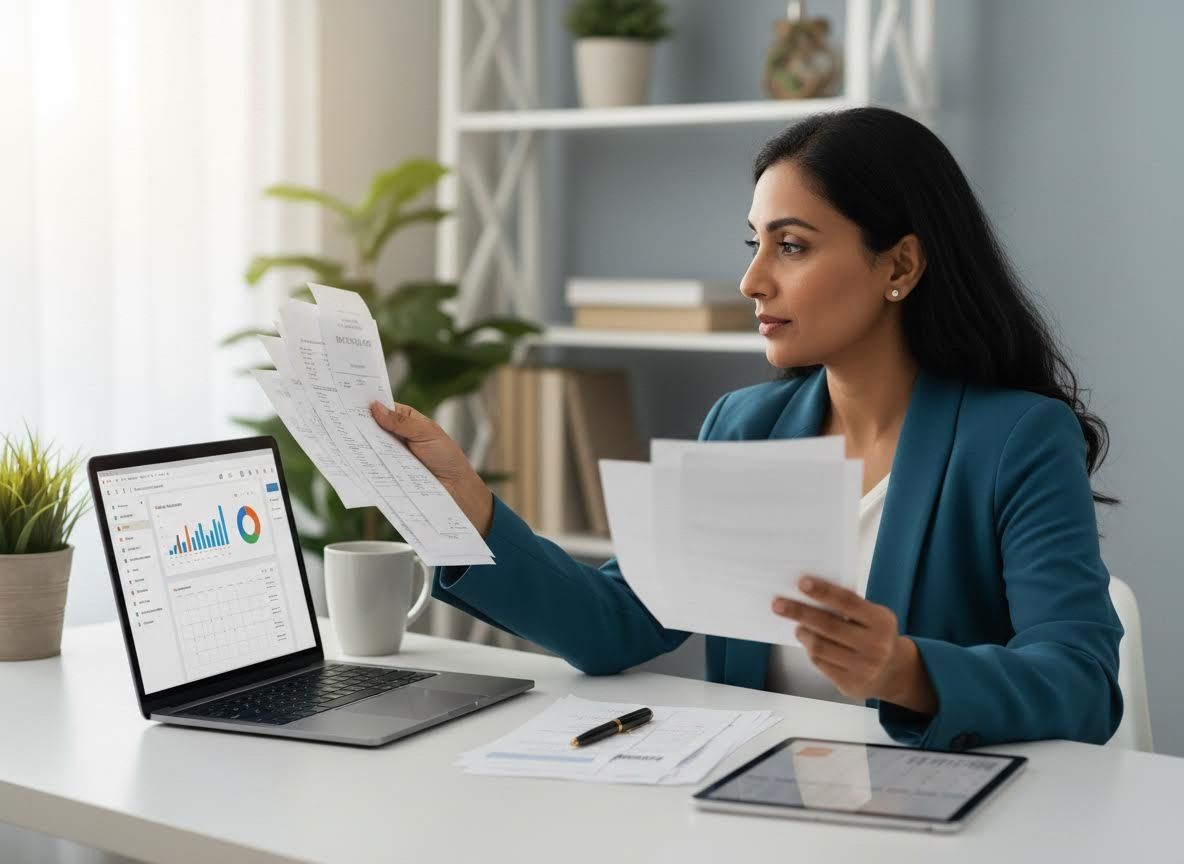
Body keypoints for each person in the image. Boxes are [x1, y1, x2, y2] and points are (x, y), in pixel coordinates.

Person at [369, 107, 1123, 751]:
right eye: (753, 243)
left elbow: (1081, 684)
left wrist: (904, 671)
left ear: (900, 265)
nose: (752, 279)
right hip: (750, 809)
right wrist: (467, 508)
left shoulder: (1018, 439)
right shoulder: (743, 426)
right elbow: (619, 623)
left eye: (791, 245)